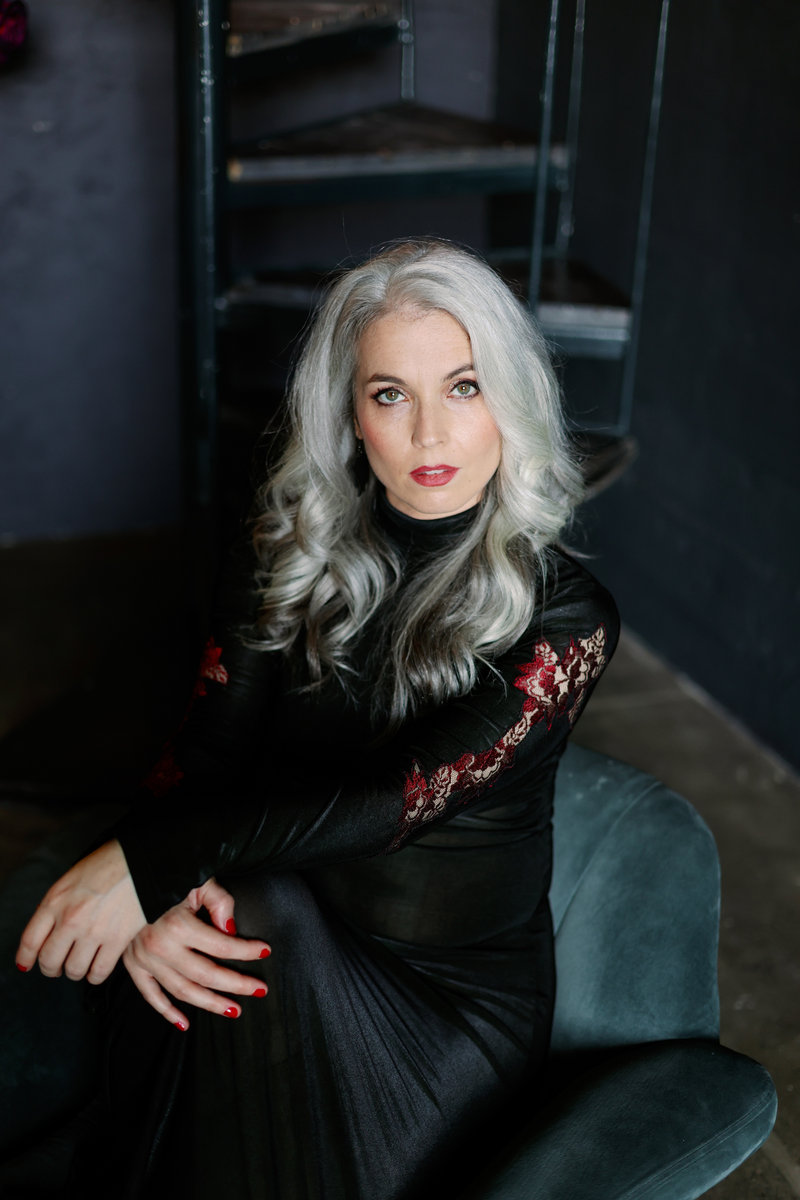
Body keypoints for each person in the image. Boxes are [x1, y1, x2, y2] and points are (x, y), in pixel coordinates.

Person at [13, 239, 618, 1198]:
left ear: (511, 397)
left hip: (443, 1017)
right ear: (349, 413)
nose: (430, 433)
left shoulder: (566, 618)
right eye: (390, 394)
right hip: (289, 922)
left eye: (463, 387)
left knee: (249, 915)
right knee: (223, 924)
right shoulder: (284, 553)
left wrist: (149, 864)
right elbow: (205, 753)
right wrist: (157, 901)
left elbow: (392, 801)